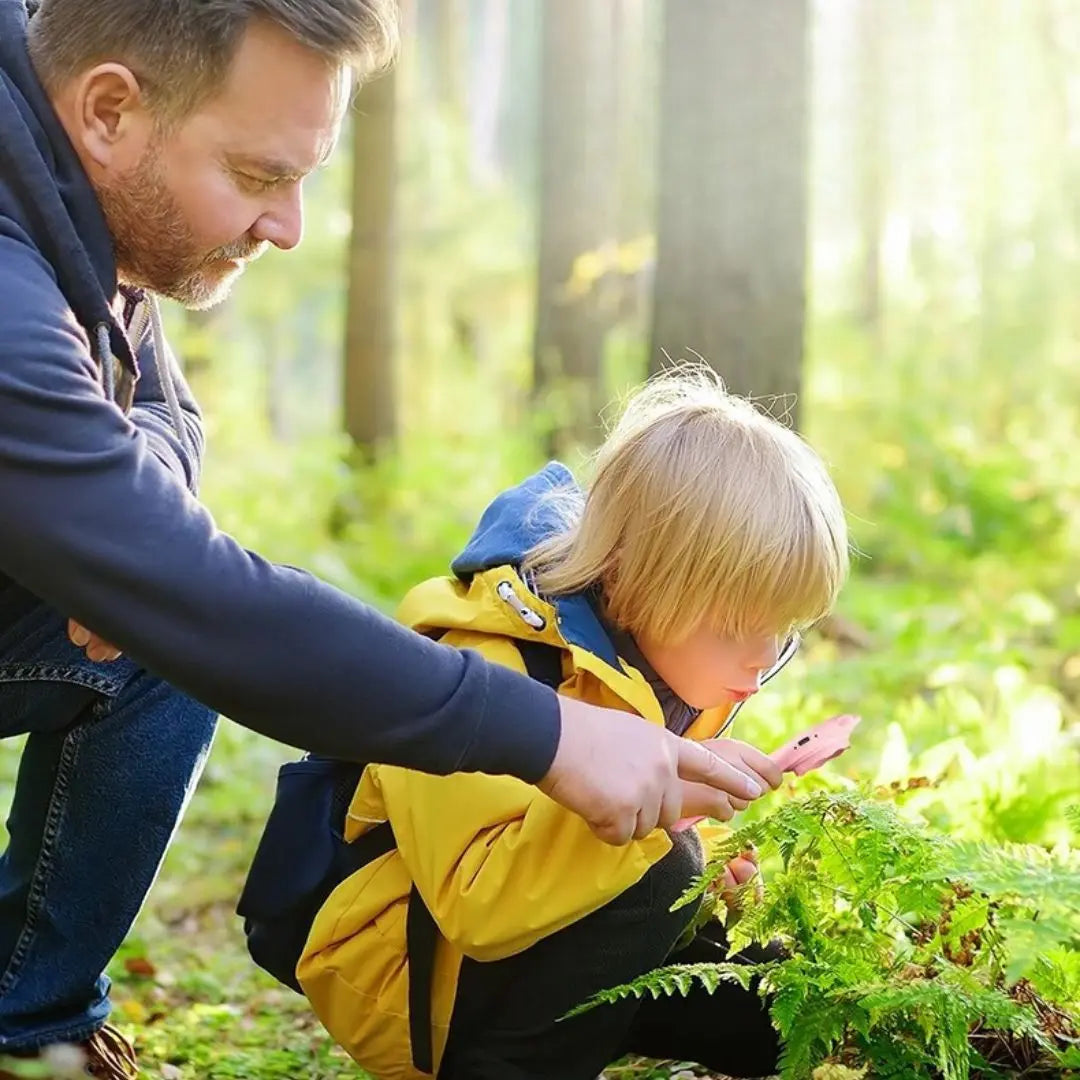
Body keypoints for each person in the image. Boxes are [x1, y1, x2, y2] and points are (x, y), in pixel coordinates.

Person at [0, 2, 762, 1075]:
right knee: (179, 617)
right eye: (260, 176)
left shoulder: (63, 174)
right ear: (111, 109)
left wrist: (110, 527)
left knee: (155, 645)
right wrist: (551, 734)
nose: (290, 226)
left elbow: (164, 409)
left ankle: (27, 1027)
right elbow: (203, 599)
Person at [286, 370, 850, 1080]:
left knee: (779, 1003)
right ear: (633, 576)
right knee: (660, 866)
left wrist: (719, 856)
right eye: (739, 625)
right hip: (417, 980)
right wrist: (670, 819)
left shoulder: (675, 657)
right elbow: (478, 906)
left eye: (785, 629)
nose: (764, 657)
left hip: (550, 941)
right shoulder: (482, 665)